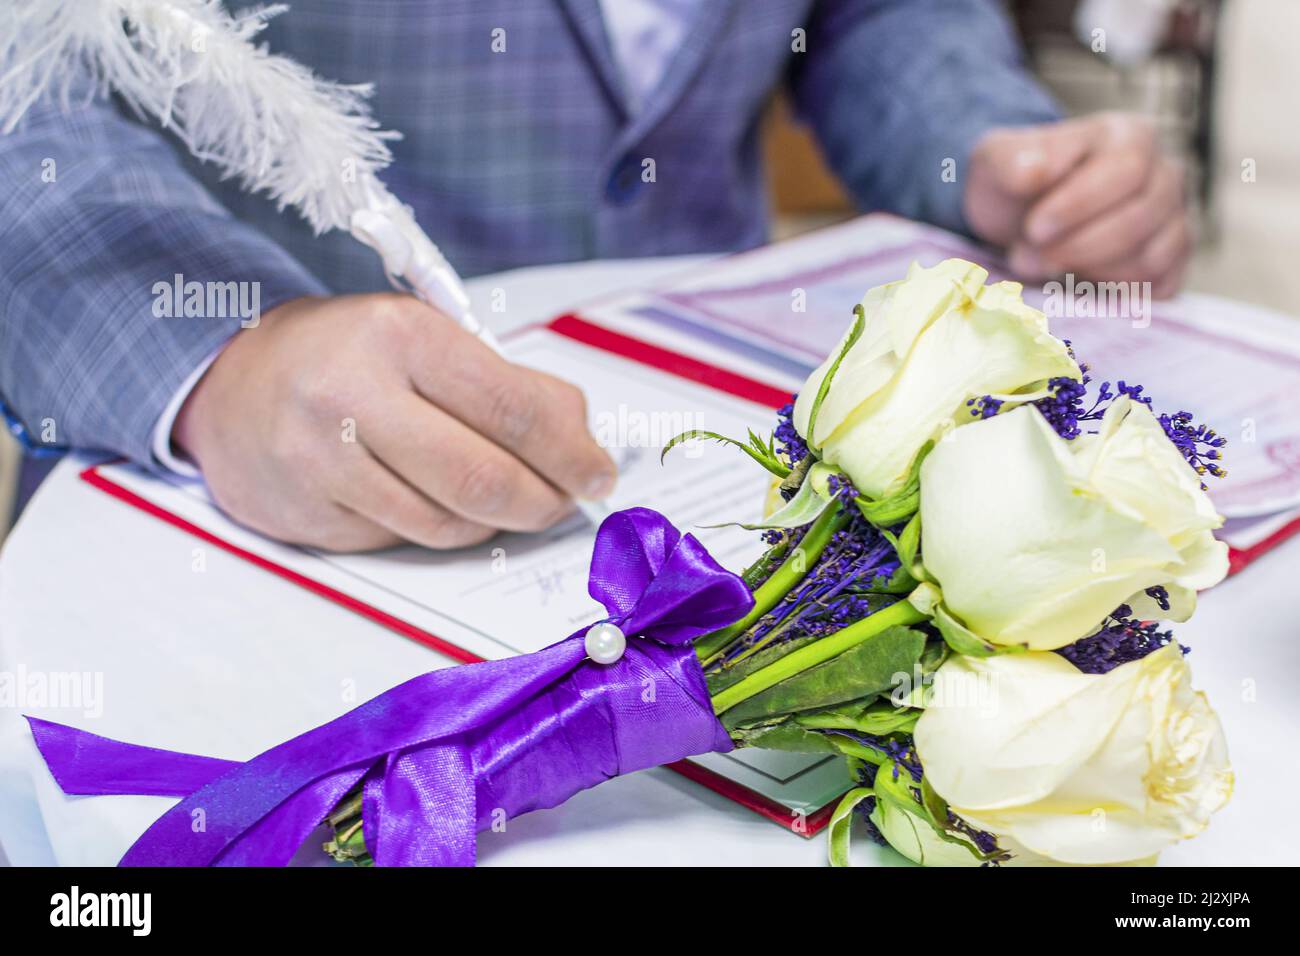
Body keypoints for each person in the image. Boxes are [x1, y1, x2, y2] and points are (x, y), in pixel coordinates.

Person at [0, 0, 1190, 550]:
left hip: (710, 438)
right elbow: (29, 61)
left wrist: (984, 146)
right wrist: (218, 356)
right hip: (263, 504)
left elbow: (866, 16)